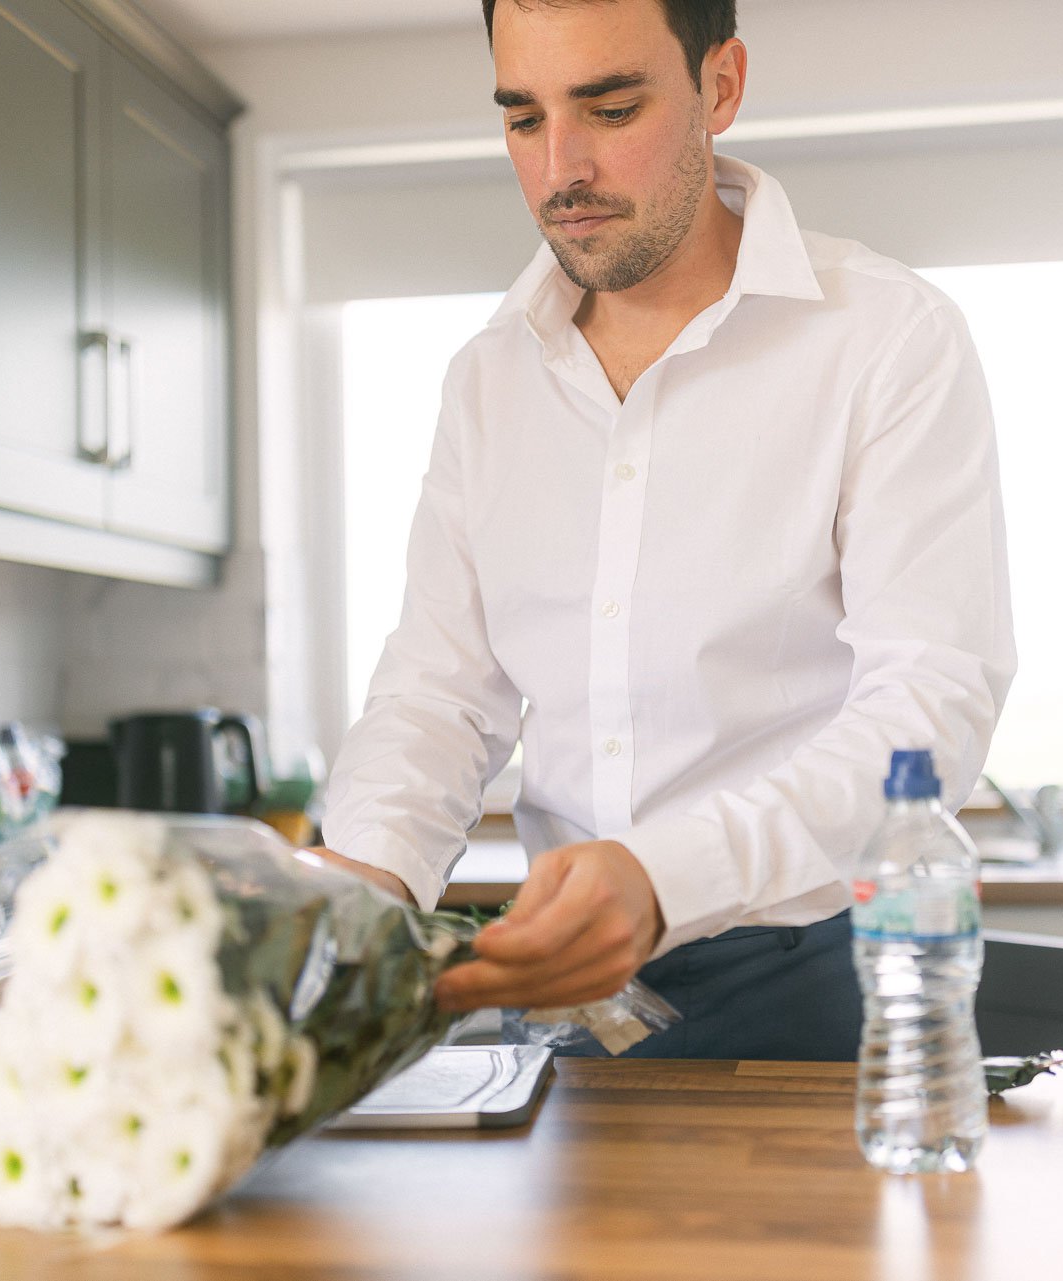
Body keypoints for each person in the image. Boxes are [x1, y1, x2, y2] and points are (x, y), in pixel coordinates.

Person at [310, 0, 1015, 1059]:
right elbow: (440, 691)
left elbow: (928, 706)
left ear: (719, 87)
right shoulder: (489, 379)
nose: (561, 170)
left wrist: (662, 876)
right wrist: (365, 881)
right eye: (523, 118)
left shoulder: (883, 337)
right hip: (565, 1003)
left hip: (813, 986)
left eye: (610, 107)